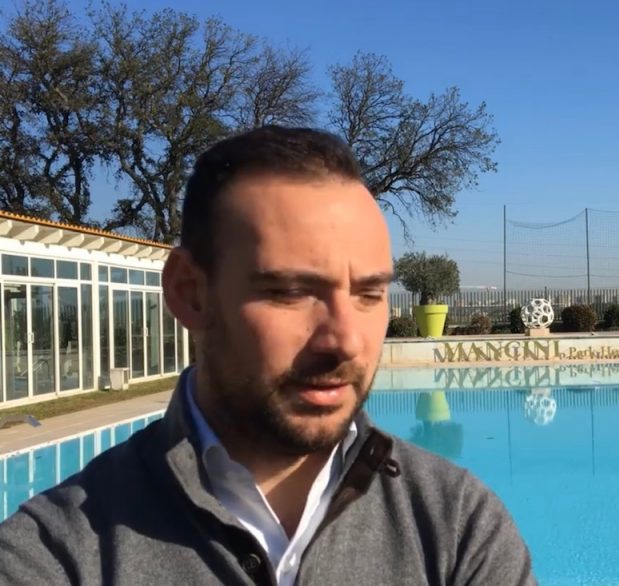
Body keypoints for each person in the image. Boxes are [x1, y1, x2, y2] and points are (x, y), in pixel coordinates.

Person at [0, 126, 536, 585]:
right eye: (290, 292)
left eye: (369, 294)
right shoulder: (58, 555)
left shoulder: (457, 526)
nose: (345, 340)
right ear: (189, 293)